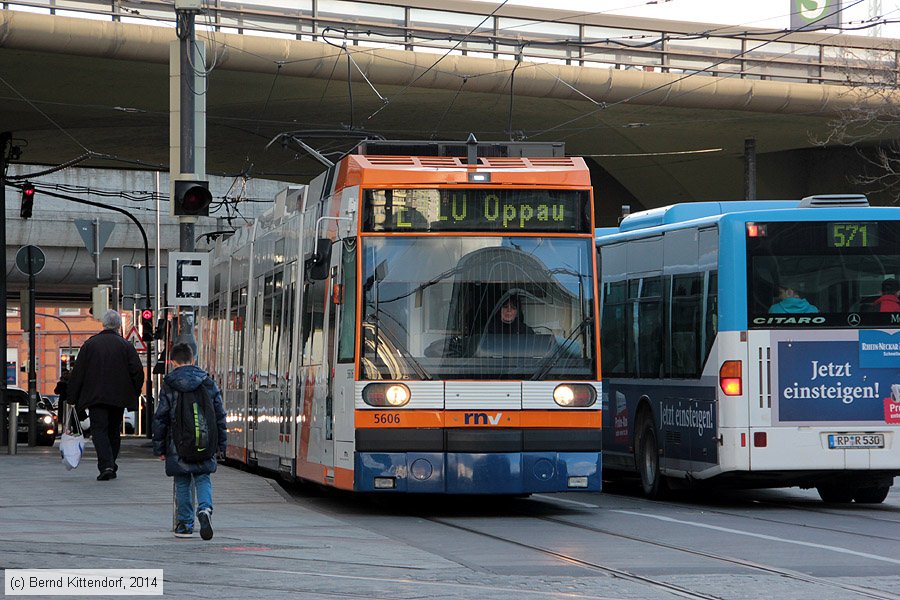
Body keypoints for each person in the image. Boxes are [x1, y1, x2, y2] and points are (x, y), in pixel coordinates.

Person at [153, 343, 227, 540]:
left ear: (171, 362)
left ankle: (185, 524)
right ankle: (205, 510)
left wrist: (159, 447)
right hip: (205, 440)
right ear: (193, 359)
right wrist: (221, 444)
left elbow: (161, 418)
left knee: (183, 481)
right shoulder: (207, 382)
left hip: (178, 444)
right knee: (203, 477)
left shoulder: (169, 384)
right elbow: (220, 415)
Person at [67, 309, 144, 481]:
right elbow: (138, 372)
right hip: (118, 398)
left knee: (99, 431)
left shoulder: (90, 345)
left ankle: (107, 465)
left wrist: (72, 397)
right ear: (118, 326)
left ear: (103, 324)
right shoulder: (126, 346)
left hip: (96, 398)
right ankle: (111, 463)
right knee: (113, 431)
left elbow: (78, 373)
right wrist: (134, 391)